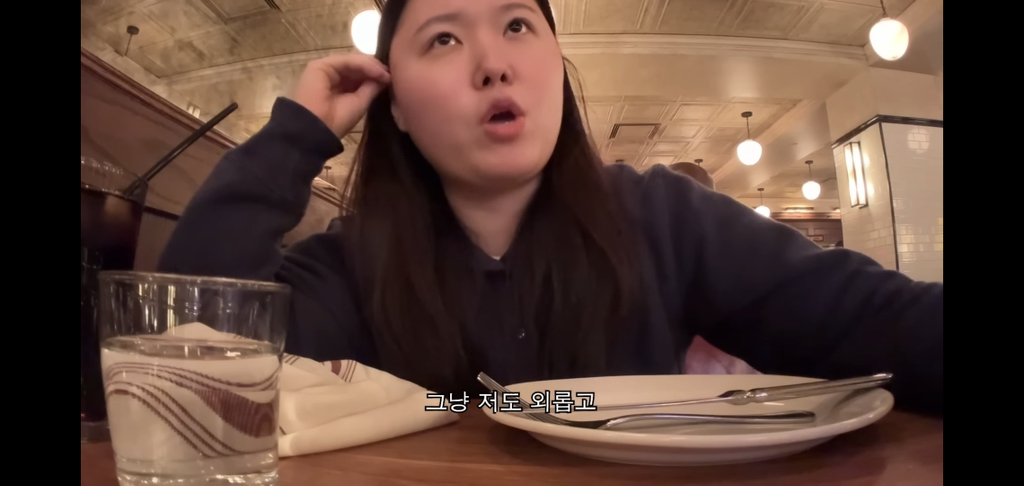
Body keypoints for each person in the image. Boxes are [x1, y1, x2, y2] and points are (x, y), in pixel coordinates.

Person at [158, 0, 942, 415]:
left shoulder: (661, 218)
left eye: (517, 25)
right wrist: (295, 136)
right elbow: (187, 360)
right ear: (393, 105)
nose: (494, 63)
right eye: (443, 40)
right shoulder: (354, 263)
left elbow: (879, 324)